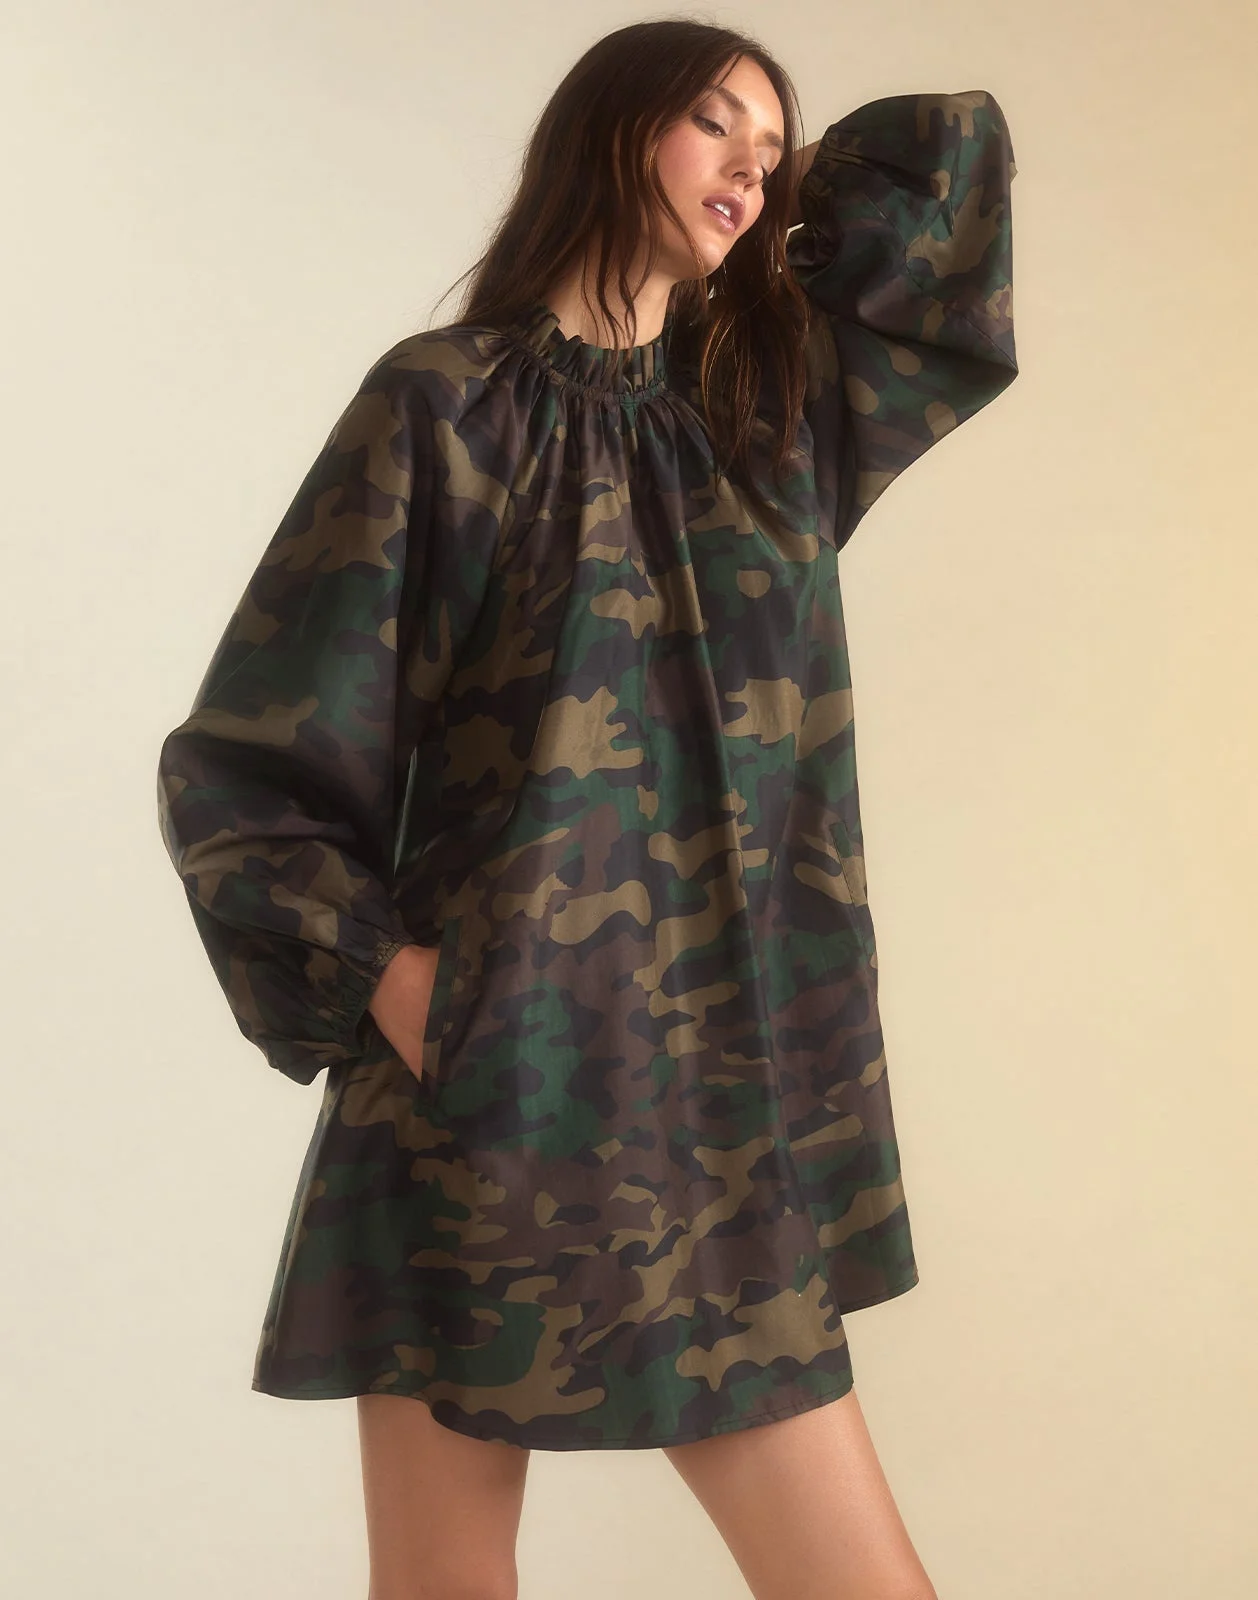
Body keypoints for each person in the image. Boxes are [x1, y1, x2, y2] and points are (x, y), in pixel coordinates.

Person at [156, 17, 1017, 1600]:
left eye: (772, 147)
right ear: (608, 131)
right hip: (489, 1091)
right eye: (712, 123)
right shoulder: (441, 408)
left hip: (719, 1103)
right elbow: (247, 764)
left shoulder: (774, 413)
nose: (750, 166)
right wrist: (403, 990)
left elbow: (948, 177)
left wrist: (771, 179)